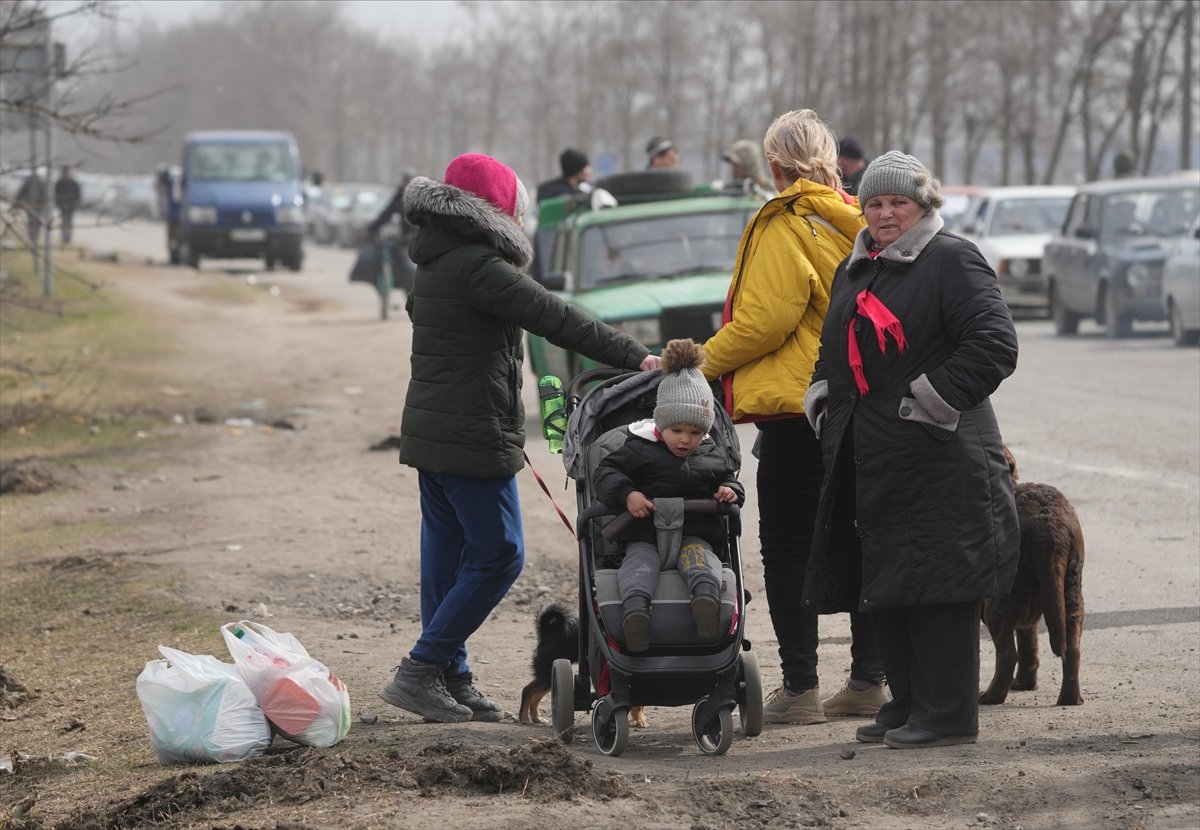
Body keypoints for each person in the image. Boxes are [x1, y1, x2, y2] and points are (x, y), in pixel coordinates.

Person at [379, 152, 661, 723]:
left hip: (434, 434)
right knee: (501, 555)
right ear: (497, 213)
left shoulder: (434, 260)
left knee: (448, 557)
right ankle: (421, 669)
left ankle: (450, 677)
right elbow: (556, 317)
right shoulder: (481, 268)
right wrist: (639, 358)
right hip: (470, 436)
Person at [802, 150, 1019, 748]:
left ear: (924, 205)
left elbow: (995, 344)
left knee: (940, 581)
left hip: (941, 453)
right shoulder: (863, 266)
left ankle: (948, 714)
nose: (884, 213)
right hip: (877, 455)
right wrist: (823, 398)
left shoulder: (952, 259)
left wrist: (925, 399)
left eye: (898, 202)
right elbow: (834, 346)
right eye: (874, 202)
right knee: (892, 578)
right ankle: (909, 702)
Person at [700, 109, 886, 725]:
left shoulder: (783, 221)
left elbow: (765, 321)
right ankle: (868, 680)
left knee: (786, 545)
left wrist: (697, 363)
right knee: (864, 534)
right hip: (864, 402)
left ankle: (801, 688)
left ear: (774, 166)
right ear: (832, 162)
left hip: (798, 408)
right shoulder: (865, 218)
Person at [592, 338, 745, 652]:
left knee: (702, 563)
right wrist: (628, 494)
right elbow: (606, 473)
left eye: (695, 432)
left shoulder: (710, 452)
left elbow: (729, 478)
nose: (686, 440)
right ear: (661, 423)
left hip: (695, 533)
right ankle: (636, 614)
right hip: (643, 534)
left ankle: (705, 604)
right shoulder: (638, 448)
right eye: (677, 431)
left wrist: (731, 491)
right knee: (637, 567)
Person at [15, 170, 47, 245]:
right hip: (29, 206)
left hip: (39, 207)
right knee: (32, 222)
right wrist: (17, 202)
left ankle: (34, 238)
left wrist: (43, 203)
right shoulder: (28, 184)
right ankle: (32, 238)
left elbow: (46, 196)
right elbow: (20, 194)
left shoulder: (41, 184)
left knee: (38, 222)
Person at [54, 166, 82, 245]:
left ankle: (68, 238)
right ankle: (64, 237)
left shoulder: (74, 183)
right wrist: (61, 204)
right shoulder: (59, 183)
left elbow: (78, 196)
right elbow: (56, 195)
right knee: (64, 222)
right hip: (62, 207)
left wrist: (74, 204)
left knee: (69, 222)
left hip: (71, 207)